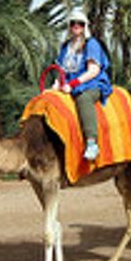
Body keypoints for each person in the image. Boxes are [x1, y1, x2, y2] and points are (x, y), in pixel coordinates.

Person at [52, 10, 112, 161]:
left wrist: (73, 84)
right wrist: (56, 85)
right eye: (73, 23)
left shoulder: (91, 44)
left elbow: (93, 70)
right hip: (69, 84)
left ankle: (92, 143)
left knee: (83, 99)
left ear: (85, 26)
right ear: (69, 26)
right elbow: (61, 71)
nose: (76, 26)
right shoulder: (66, 46)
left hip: (91, 83)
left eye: (80, 24)